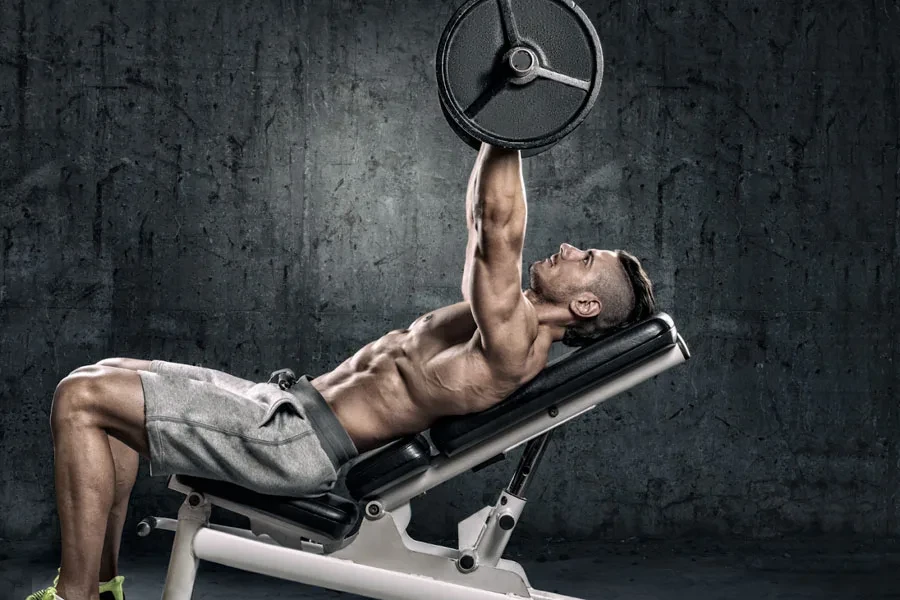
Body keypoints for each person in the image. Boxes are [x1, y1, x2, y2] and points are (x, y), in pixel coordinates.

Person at [28, 144, 655, 600]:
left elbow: (496, 229)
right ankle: (102, 583)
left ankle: (76, 595)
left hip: (291, 442)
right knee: (104, 377)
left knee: (79, 397)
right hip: (283, 408)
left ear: (586, 305)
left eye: (586, 257)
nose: (571, 248)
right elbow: (482, 221)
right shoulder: (510, 316)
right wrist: (493, 131)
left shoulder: (515, 344)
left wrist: (512, 123)